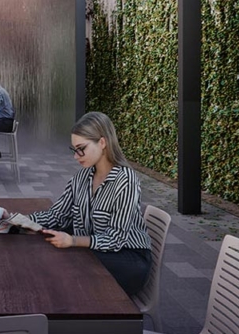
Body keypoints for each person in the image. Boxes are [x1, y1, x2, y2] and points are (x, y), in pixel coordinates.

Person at [31, 112, 153, 297]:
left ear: (102, 143)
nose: (76, 156)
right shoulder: (81, 177)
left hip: (128, 258)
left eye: (81, 148)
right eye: (74, 150)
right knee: (55, 255)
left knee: (68, 264)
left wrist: (73, 241)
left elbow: (116, 239)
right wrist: (19, 220)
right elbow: (56, 215)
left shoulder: (126, 180)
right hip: (95, 251)